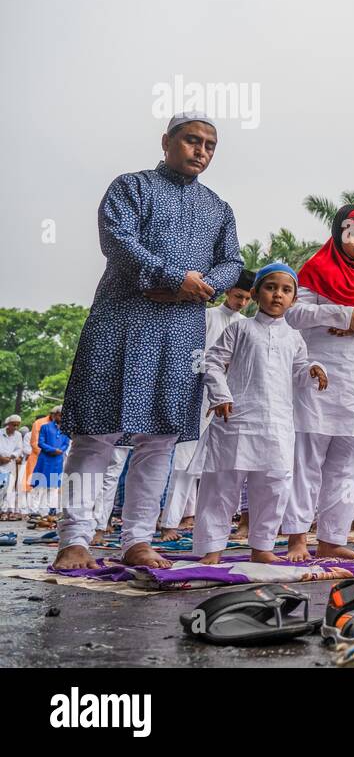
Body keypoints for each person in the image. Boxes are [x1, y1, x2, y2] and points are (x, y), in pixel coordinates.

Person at [55, 112, 242, 570]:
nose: (201, 151)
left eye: (210, 145)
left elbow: (232, 262)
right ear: (166, 142)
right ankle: (74, 539)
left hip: (180, 331)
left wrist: (203, 286)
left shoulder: (218, 207)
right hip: (121, 320)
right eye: (192, 141)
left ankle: (137, 539)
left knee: (160, 437)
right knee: (96, 434)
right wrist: (174, 276)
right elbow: (116, 240)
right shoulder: (130, 187)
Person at [193, 263, 327, 564]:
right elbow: (212, 363)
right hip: (236, 420)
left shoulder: (294, 338)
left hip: (277, 423)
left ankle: (263, 547)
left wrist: (312, 370)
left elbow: (299, 372)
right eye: (270, 287)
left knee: (274, 485)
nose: (277, 295)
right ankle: (211, 549)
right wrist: (221, 395)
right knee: (221, 486)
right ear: (255, 294)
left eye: (285, 290)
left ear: (293, 299)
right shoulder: (239, 329)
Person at [284, 204, 354, 561]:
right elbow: (294, 313)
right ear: (339, 232)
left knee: (350, 463)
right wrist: (340, 312)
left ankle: (333, 538)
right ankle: (297, 537)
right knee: (308, 460)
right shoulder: (316, 270)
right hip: (320, 373)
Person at [159, 268, 256, 541]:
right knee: (183, 463)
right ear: (228, 292)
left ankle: (215, 526)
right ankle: (169, 524)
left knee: (224, 465)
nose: (242, 302)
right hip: (198, 395)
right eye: (238, 296)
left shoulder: (246, 325)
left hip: (230, 401)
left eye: (247, 298)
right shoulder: (206, 316)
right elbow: (192, 354)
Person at [32, 408, 70, 515]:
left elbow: (66, 444)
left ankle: (50, 510)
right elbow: (40, 443)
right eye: (60, 415)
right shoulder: (45, 427)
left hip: (57, 461)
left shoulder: (66, 429)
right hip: (45, 460)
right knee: (39, 485)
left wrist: (60, 451)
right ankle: (34, 510)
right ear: (55, 415)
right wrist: (53, 450)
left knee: (53, 486)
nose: (61, 418)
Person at [0, 416, 26, 520]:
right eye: (13, 424)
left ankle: (7, 511)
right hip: (0, 463)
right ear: (8, 424)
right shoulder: (0, 432)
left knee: (9, 488)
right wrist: (1, 458)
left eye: (17, 425)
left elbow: (19, 449)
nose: (15, 427)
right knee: (1, 488)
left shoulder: (18, 435)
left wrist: (11, 457)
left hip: (10, 463)